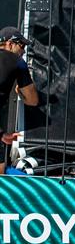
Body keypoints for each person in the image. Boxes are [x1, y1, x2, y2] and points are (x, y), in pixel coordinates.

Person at [0, 27, 39, 174]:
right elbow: (33, 100)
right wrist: (21, 93)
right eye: (21, 46)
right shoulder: (17, 61)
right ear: (10, 44)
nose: (23, 51)